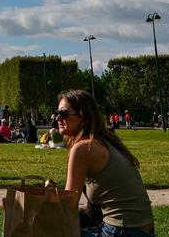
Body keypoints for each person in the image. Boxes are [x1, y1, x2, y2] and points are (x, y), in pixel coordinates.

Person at [56, 90, 155, 237]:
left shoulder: (83, 148)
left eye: (63, 113)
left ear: (82, 116)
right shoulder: (106, 142)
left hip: (122, 232)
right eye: (56, 112)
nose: (58, 118)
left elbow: (68, 204)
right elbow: (92, 210)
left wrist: (37, 210)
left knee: (45, 229)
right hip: (140, 231)